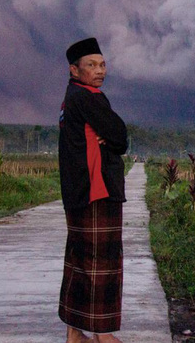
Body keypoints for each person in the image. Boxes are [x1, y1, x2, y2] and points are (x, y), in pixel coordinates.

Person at [58, 37, 128, 343]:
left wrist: (108, 137)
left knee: (80, 261)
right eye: (91, 65)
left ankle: (75, 333)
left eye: (102, 64)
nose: (99, 71)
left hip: (78, 193)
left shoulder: (70, 98)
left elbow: (110, 135)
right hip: (96, 192)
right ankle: (103, 335)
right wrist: (112, 138)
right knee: (103, 263)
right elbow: (120, 135)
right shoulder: (88, 97)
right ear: (75, 69)